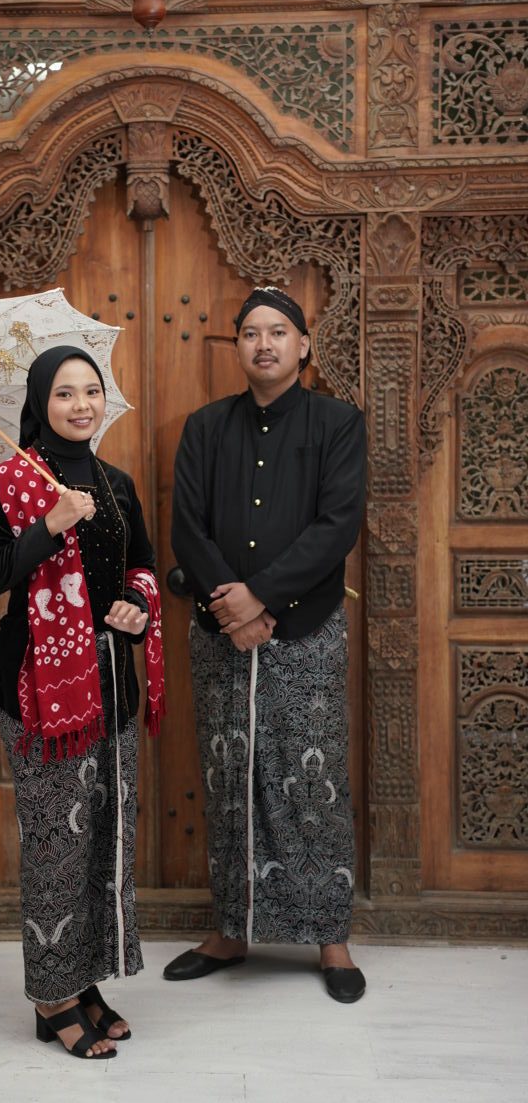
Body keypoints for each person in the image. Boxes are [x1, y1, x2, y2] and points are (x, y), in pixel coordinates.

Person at [164, 286, 367, 1003]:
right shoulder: (206, 427)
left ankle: (331, 938)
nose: (264, 343)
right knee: (231, 780)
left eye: (278, 331)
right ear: (238, 347)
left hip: (306, 630)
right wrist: (232, 606)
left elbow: (337, 525)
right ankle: (230, 930)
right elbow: (187, 526)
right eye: (251, 332)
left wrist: (262, 597)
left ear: (303, 345)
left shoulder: (337, 423)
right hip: (222, 631)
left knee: (314, 781)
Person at [0, 346, 164, 1058]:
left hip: (111, 685)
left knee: (103, 840)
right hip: (40, 696)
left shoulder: (116, 483)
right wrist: (48, 525)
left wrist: (137, 605)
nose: (81, 405)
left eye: (91, 391)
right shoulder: (9, 482)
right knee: (57, 846)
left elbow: (142, 564)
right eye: (63, 393)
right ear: (39, 404)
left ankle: (84, 982)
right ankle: (51, 996)